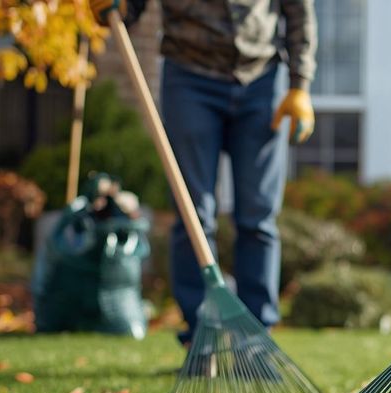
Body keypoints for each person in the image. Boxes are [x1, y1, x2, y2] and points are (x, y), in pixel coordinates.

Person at [90, 0, 316, 345]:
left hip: (261, 78)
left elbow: (299, 11)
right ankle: (200, 336)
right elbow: (128, 9)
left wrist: (300, 84)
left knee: (258, 216)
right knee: (192, 213)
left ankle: (257, 339)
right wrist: (113, 7)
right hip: (189, 78)